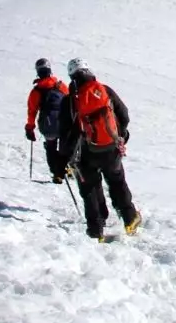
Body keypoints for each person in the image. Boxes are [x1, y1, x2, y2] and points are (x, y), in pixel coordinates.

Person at [59, 58, 141, 240]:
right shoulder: (105, 90)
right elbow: (124, 114)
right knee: (117, 182)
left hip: (86, 152)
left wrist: (63, 157)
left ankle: (96, 230)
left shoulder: (70, 100)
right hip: (111, 149)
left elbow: (65, 133)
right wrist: (120, 135)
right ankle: (130, 219)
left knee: (89, 188)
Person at [24, 58, 70, 181]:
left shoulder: (37, 91)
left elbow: (32, 111)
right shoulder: (60, 85)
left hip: (48, 124)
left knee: (51, 147)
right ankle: (68, 168)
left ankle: (57, 173)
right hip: (64, 122)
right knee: (66, 146)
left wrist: (30, 128)